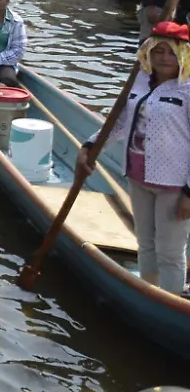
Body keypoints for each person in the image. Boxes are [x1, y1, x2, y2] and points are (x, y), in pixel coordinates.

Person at [78, 21, 190, 294]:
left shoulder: (187, 89)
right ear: (148, 53)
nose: (164, 58)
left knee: (170, 251)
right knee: (146, 244)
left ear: (184, 56)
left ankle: (170, 301)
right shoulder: (140, 81)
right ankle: (148, 291)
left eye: (172, 53)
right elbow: (121, 122)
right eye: (158, 51)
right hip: (138, 175)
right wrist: (90, 145)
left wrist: (189, 193)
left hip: (174, 184)